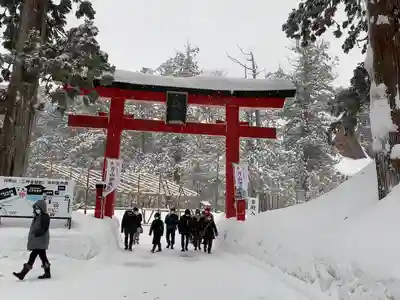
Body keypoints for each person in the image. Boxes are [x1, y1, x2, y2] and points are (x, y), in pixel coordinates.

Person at [13, 199, 51, 280]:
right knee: (43, 256)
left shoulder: (44, 216)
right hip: (38, 241)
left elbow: (44, 228)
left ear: (42, 208)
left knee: (33, 256)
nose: (36, 210)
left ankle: (22, 274)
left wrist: (36, 234)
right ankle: (47, 273)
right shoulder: (38, 216)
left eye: (38, 208)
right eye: (36, 208)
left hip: (40, 240)